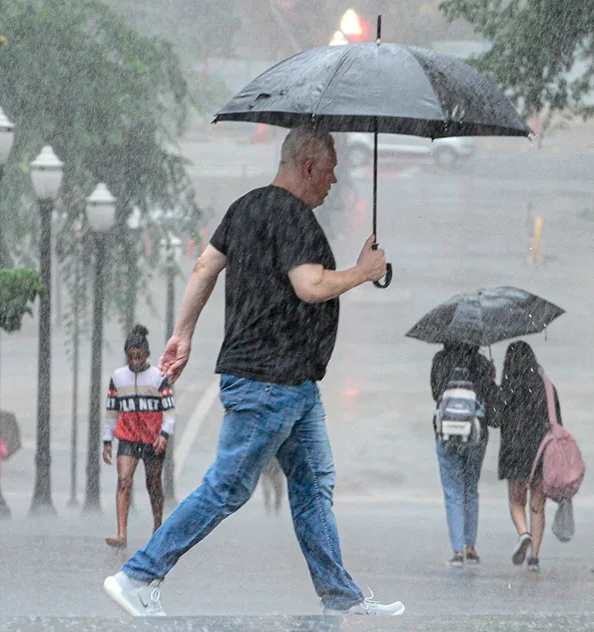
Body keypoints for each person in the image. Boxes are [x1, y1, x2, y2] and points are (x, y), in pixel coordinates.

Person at [103, 125, 404, 617]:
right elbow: (309, 285)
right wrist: (362, 272)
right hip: (270, 380)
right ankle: (138, 575)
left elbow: (204, 267)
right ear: (308, 166)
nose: (333, 182)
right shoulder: (293, 216)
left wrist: (182, 333)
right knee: (227, 487)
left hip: (294, 386)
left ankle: (340, 595)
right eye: (329, 171)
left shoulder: (245, 207)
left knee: (312, 486)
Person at [102, 325, 176, 548]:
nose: (134, 362)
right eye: (130, 357)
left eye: (139, 357)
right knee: (124, 480)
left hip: (154, 439)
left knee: (153, 483)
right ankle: (121, 533)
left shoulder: (158, 378)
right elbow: (111, 411)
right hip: (128, 437)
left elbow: (169, 410)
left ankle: (157, 526)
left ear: (147, 355)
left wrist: (164, 434)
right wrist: (107, 440)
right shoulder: (118, 378)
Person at [430, 342, 500, 567]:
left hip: (447, 432)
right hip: (475, 434)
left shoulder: (440, 360)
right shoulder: (480, 362)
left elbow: (436, 395)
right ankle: (471, 547)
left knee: (453, 492)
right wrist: (490, 374)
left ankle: (458, 551)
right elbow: (490, 399)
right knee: (471, 489)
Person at [497, 340, 561, 573]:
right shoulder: (546, 386)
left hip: (514, 450)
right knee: (537, 506)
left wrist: (494, 386)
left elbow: (494, 419)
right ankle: (534, 558)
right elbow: (557, 421)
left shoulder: (507, 388)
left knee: (516, 501)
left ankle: (523, 533)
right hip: (541, 451)